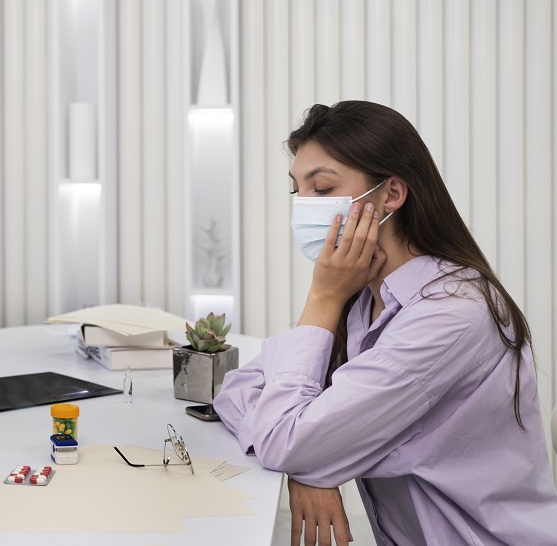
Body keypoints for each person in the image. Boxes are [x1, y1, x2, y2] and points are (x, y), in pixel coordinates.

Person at [214, 101, 557, 545]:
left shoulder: (450, 314)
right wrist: (307, 462)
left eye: (321, 190)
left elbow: (287, 438)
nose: (302, 207)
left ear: (391, 195)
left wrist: (323, 297)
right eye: (296, 190)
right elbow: (237, 389)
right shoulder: (367, 300)